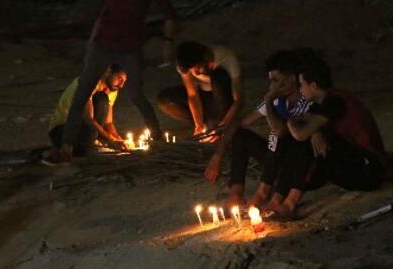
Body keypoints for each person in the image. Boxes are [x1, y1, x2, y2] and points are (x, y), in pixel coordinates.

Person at [58, 0, 176, 163]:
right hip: (103, 43)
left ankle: (157, 139)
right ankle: (65, 147)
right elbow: (106, 10)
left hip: (129, 47)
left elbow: (169, 14)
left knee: (135, 94)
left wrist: (167, 42)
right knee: (82, 91)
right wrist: (92, 42)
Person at [271, 55, 387, 217]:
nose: (300, 89)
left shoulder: (335, 102)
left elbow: (301, 135)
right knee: (304, 138)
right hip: (351, 163)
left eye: (302, 84)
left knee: (304, 139)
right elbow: (306, 125)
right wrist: (314, 132)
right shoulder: (323, 101)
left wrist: (289, 119)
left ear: (313, 85)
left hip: (369, 171)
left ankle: (290, 203)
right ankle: (277, 198)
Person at [218, 50, 310, 207]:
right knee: (240, 135)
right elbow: (242, 123)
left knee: (276, 135)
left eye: (276, 80)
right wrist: (217, 154)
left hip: (296, 164)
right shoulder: (276, 99)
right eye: (271, 81)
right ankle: (236, 192)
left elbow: (281, 131)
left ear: (292, 79)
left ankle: (263, 192)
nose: (272, 86)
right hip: (274, 159)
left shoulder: (305, 100)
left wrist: (268, 101)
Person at [158, 41, 244, 173]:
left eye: (198, 69)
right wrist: (198, 125)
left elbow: (239, 100)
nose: (197, 73)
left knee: (218, 76)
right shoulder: (185, 65)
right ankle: (207, 125)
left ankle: (218, 125)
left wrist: (223, 126)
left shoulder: (225, 57)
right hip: (205, 100)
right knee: (165, 99)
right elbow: (192, 95)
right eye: (194, 71)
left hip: (224, 100)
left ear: (205, 58)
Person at [44, 64, 129, 163]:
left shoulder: (112, 89)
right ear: (108, 72)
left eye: (124, 81)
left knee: (102, 101)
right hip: (62, 130)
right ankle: (61, 148)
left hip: (82, 128)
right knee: (91, 133)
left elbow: (108, 123)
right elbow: (88, 119)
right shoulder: (90, 83)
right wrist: (111, 140)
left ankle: (86, 145)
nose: (121, 85)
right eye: (119, 78)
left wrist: (118, 139)